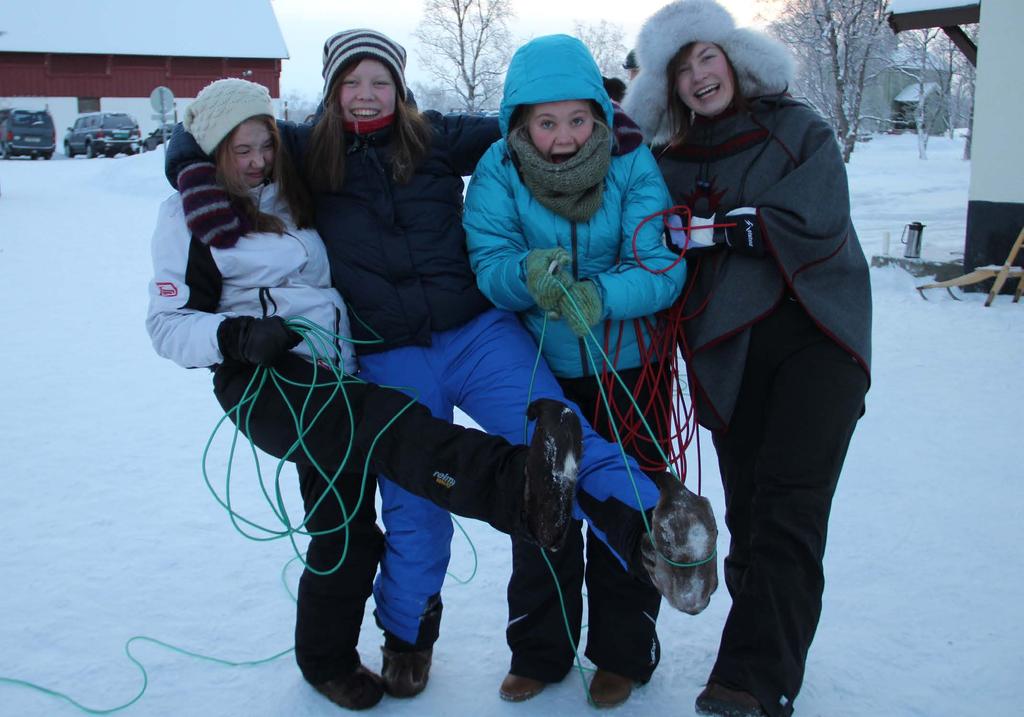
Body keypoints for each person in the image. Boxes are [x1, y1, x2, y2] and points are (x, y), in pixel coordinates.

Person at [165, 29, 718, 703]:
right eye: (351, 82)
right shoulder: (307, 151)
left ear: (400, 90)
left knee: (556, 435)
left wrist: (612, 120)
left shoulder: (433, 138)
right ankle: (408, 636)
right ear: (334, 91)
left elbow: (525, 118)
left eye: (381, 81)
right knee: (416, 500)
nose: (366, 94)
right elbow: (219, 133)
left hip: (477, 334)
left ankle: (659, 526)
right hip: (389, 354)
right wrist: (188, 167)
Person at [146, 77, 589, 712]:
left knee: (347, 532)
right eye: (238, 150)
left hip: (335, 372)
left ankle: (324, 659)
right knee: (397, 431)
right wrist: (237, 333)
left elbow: (495, 130)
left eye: (262, 145)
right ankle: (519, 488)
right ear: (213, 148)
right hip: (267, 379)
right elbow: (165, 325)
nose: (254, 161)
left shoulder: (292, 181)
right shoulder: (188, 211)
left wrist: (585, 107)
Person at [623, 2, 872, 716]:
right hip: (728, 354)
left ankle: (754, 679)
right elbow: (645, 235)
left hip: (818, 337)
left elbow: (814, 217)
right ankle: (768, 632)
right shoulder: (666, 163)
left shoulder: (799, 130)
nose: (699, 76)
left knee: (790, 507)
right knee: (750, 514)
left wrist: (730, 231)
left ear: (733, 57)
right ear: (667, 88)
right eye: (681, 69)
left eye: (706, 56)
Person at [463, 34, 689, 707]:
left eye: (577, 119)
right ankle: (540, 649)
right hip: (541, 374)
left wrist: (601, 296)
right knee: (543, 513)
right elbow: (489, 263)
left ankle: (624, 651)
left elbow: (661, 266)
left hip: (631, 368)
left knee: (628, 504)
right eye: (546, 122)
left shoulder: (631, 161)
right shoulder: (498, 170)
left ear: (598, 112)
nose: (563, 137)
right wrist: (525, 276)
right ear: (520, 123)